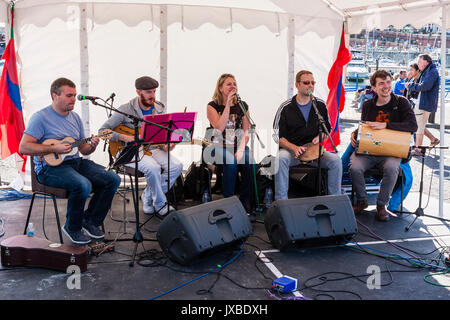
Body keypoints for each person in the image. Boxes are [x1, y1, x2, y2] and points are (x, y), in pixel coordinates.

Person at [19, 77, 121, 245]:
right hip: (48, 168)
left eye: (74, 95)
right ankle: (72, 227)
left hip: (75, 162)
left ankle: (90, 221)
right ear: (54, 96)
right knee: (83, 184)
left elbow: (83, 150)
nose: (73, 99)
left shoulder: (75, 118)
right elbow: (23, 147)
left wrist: (93, 145)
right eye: (69, 95)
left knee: (112, 178)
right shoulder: (40, 117)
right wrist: (53, 149)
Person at [99, 76, 183, 216]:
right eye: (148, 92)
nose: (152, 96)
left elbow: (159, 134)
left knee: (176, 165)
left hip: (150, 148)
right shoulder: (125, 109)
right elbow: (102, 132)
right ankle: (160, 204)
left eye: (154, 92)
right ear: (138, 92)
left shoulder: (159, 108)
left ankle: (148, 196)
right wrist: (124, 137)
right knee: (153, 167)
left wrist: (166, 144)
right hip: (129, 149)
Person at [350, 70, 417, 222]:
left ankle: (381, 205)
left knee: (392, 168)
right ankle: (362, 201)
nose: (386, 86)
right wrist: (355, 133)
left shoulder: (401, 102)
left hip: (391, 152)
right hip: (369, 151)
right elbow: (366, 126)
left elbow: (413, 126)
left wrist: (385, 125)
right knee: (354, 167)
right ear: (373, 88)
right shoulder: (368, 105)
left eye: (388, 82)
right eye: (381, 83)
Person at [273, 70, 342, 200]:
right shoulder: (285, 107)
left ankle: (334, 201)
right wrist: (294, 148)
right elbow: (277, 136)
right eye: (306, 82)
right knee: (280, 159)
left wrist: (321, 137)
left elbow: (328, 127)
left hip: (314, 152)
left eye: (312, 82)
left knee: (336, 161)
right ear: (297, 85)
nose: (310, 85)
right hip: (291, 152)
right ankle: (281, 202)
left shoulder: (319, 105)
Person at [203, 73, 252, 211]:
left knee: (249, 163)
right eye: (229, 84)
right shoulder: (212, 106)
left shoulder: (243, 105)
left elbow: (246, 131)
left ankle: (245, 200)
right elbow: (219, 128)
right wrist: (228, 106)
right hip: (217, 146)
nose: (233, 86)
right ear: (220, 88)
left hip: (238, 145)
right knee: (231, 162)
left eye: (234, 84)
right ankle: (228, 202)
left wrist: (241, 149)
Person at [404, 54, 440, 154]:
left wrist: (410, 86)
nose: (418, 63)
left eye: (420, 62)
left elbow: (425, 86)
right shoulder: (427, 71)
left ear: (426, 62)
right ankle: (433, 139)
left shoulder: (432, 72)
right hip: (422, 102)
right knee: (419, 124)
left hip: (424, 103)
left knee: (419, 126)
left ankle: (418, 149)